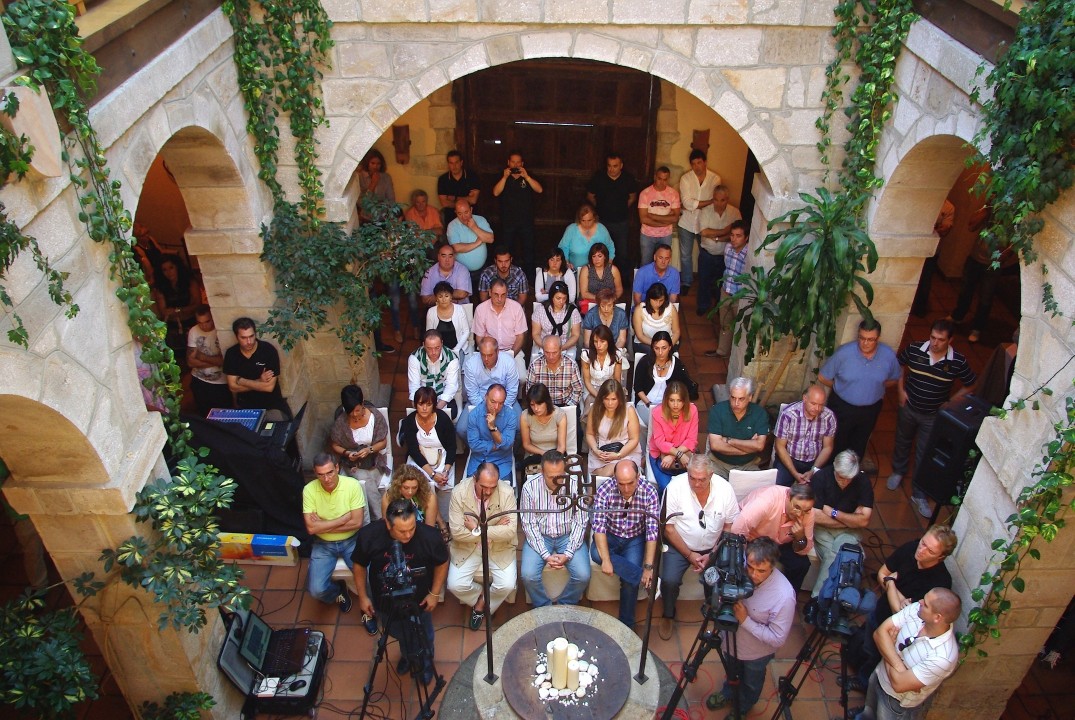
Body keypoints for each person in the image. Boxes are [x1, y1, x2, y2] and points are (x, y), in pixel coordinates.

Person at [846, 526, 957, 695]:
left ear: (941, 557)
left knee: (877, 656)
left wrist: (891, 584)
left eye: (930, 550)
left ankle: (863, 682)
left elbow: (902, 611)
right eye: (923, 543)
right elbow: (882, 573)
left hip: (898, 630)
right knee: (868, 645)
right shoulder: (910, 548)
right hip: (880, 610)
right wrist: (896, 592)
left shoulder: (939, 582)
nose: (921, 550)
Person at [353, 499, 449, 685]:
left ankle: (425, 665)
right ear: (388, 524)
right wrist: (363, 597)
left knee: (424, 635)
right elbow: (359, 564)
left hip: (419, 601)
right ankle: (408, 656)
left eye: (412, 528)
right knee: (398, 633)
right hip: (386, 601)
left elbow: (442, 562)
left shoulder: (429, 536)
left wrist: (434, 593)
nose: (408, 535)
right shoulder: (369, 535)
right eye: (402, 531)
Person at [888, 318, 977, 518]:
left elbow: (971, 383)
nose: (935, 343)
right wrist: (900, 390)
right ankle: (898, 471)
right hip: (909, 407)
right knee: (902, 440)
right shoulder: (915, 349)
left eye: (940, 339)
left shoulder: (957, 361)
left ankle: (919, 492)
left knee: (925, 451)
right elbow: (899, 365)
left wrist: (951, 403)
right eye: (933, 337)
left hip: (932, 415)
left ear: (950, 340)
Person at [704, 537, 796, 717]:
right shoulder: (738, 567)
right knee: (731, 671)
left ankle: (743, 707)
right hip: (729, 642)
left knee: (751, 682)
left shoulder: (784, 596)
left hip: (756, 655)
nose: (753, 575)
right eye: (750, 567)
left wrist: (745, 620)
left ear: (773, 566)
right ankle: (728, 693)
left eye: (761, 571)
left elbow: (777, 638)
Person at [657, 454, 739, 639]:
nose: (696, 483)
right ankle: (668, 614)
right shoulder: (675, 487)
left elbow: (729, 526)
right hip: (680, 545)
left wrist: (713, 552)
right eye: (692, 478)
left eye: (701, 479)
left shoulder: (725, 489)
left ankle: (712, 608)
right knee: (669, 580)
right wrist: (689, 554)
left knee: (723, 576)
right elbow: (669, 529)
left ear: (711, 475)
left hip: (714, 546)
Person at [854, 589, 962, 720]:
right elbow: (879, 633)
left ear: (937, 617)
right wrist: (900, 668)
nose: (920, 602)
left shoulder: (943, 657)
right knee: (868, 712)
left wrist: (889, 647)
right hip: (878, 675)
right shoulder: (917, 610)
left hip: (895, 703)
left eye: (926, 604)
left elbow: (898, 685)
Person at [819, 318, 901, 463]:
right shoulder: (844, 353)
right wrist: (843, 386)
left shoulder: (888, 355)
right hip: (842, 407)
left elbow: (894, 379)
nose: (865, 343)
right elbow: (823, 377)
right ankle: (830, 472)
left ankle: (851, 473)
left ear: (878, 339)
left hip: (870, 410)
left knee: (859, 445)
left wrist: (874, 387)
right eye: (862, 338)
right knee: (835, 443)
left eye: (870, 339)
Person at [447, 462, 518, 630]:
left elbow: (510, 531)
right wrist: (493, 529)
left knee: (508, 584)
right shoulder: (459, 492)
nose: (488, 492)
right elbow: (456, 532)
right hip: (467, 547)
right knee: (455, 585)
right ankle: (483, 596)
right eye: (484, 487)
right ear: (474, 479)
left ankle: (481, 605)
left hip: (498, 547)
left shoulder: (507, 492)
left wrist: (476, 529)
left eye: (493, 487)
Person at [590, 459, 660, 627]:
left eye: (630, 483)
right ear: (615, 479)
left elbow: (652, 532)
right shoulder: (605, 490)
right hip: (611, 534)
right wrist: (606, 560)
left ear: (638, 477)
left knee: (629, 582)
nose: (626, 489)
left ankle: (627, 625)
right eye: (621, 484)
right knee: (596, 554)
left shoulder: (649, 492)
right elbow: (599, 527)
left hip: (634, 538)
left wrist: (648, 567)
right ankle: (639, 576)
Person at [520, 450, 590, 607]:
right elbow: (529, 524)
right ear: (542, 472)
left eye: (560, 476)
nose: (556, 481)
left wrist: (568, 553)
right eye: (551, 477)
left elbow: (581, 520)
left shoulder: (576, 485)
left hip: (568, 535)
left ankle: (564, 605)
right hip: (541, 535)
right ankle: (544, 608)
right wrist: (545, 555)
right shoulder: (529, 487)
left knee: (583, 575)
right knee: (528, 576)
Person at [303, 453, 365, 618]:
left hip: (352, 540)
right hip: (323, 544)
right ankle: (338, 592)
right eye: (321, 475)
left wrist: (322, 525)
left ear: (337, 468)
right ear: (315, 474)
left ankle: (368, 610)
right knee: (316, 590)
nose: (326, 479)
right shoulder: (309, 490)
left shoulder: (352, 485)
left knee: (368, 579)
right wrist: (343, 519)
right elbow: (311, 529)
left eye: (330, 472)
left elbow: (357, 523)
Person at [808, 450, 873, 597]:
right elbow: (815, 516)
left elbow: (864, 520)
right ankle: (831, 599)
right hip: (823, 529)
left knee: (835, 556)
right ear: (834, 467)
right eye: (841, 477)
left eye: (849, 479)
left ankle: (817, 599)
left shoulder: (863, 481)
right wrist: (851, 520)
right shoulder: (821, 477)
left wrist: (833, 512)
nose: (844, 482)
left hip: (849, 532)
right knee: (842, 557)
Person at [731, 483, 816, 594]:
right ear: (788, 497)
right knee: (745, 560)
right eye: (797, 507)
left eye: (806, 511)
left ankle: (788, 598)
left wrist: (800, 537)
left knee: (801, 564)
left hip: (779, 542)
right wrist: (744, 552)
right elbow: (737, 530)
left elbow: (805, 549)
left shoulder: (808, 513)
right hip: (754, 537)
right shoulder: (767, 501)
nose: (800, 515)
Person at [329, 384, 390, 520]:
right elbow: (335, 445)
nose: (355, 414)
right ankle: (382, 517)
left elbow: (383, 443)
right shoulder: (341, 422)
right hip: (353, 464)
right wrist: (347, 453)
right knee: (365, 479)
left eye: (357, 410)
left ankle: (377, 518)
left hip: (374, 460)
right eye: (351, 412)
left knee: (366, 480)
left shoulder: (375, 417)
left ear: (362, 403)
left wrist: (369, 450)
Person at [223, 317, 291, 416]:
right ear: (236, 337)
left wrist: (242, 381)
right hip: (246, 407)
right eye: (243, 338)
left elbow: (268, 387)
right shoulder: (231, 354)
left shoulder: (268, 350)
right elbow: (233, 387)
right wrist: (259, 381)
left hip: (271, 406)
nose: (249, 341)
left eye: (251, 336)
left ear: (255, 333)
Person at [773, 384, 837, 487]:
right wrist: (794, 473)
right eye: (813, 403)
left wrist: (813, 470)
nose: (817, 408)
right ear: (805, 398)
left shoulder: (828, 417)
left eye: (821, 405)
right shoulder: (789, 414)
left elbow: (827, 447)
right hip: (789, 459)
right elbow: (780, 446)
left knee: (820, 489)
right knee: (779, 488)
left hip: (815, 461)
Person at [677, 149, 721, 294]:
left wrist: (695, 204)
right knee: (685, 255)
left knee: (706, 254)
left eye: (699, 162)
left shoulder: (715, 179)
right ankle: (686, 282)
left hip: (705, 224)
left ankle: (707, 283)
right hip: (686, 223)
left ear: (705, 162)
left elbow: (715, 201)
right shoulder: (686, 178)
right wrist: (708, 202)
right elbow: (686, 203)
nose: (696, 166)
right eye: (693, 164)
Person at [707, 376, 768, 477]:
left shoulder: (759, 413)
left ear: (750, 397)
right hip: (718, 463)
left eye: (741, 399)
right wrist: (749, 447)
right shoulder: (717, 410)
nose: (736, 403)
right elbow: (716, 445)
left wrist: (729, 440)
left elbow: (759, 446)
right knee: (708, 483)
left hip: (748, 465)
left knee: (761, 484)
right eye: (733, 397)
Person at [400, 386, 457, 493]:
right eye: (421, 404)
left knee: (443, 482)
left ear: (434, 405)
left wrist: (445, 471)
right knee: (413, 483)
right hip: (420, 460)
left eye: (429, 404)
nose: (424, 408)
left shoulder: (443, 419)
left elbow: (452, 447)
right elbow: (414, 451)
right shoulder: (409, 421)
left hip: (442, 458)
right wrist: (433, 474)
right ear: (415, 405)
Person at [586, 152, 637, 273]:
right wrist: (600, 208)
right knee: (600, 251)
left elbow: (632, 197)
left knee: (622, 252)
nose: (611, 169)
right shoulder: (599, 177)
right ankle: (599, 277)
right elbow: (590, 196)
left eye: (615, 166)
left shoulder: (628, 179)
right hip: (602, 221)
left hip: (621, 221)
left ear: (621, 166)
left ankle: (621, 278)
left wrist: (621, 208)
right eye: (609, 165)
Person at [633, 332, 697, 426]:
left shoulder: (678, 366)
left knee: (668, 423)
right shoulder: (645, 362)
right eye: (656, 348)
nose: (660, 352)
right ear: (652, 348)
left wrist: (672, 404)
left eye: (664, 348)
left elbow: (684, 388)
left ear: (670, 347)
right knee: (656, 423)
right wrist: (649, 403)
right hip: (646, 403)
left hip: (670, 405)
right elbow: (638, 387)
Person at [492, 151, 543, 270]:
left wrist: (527, 177)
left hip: (526, 221)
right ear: (508, 163)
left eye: (518, 162)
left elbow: (539, 189)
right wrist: (504, 177)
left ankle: (529, 276)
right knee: (508, 250)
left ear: (522, 163)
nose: (515, 165)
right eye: (513, 162)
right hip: (508, 222)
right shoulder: (502, 175)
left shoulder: (528, 175)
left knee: (528, 251)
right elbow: (495, 192)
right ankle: (508, 274)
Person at [458, 337, 519, 434]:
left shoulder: (509, 363)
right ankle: (480, 444)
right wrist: (485, 410)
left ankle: (504, 443)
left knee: (519, 427)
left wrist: (500, 409)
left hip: (504, 402)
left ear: (497, 352)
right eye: (483, 355)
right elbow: (472, 394)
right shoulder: (471, 364)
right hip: (479, 401)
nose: (486, 359)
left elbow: (512, 391)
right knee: (462, 429)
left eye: (490, 355)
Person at [706, 220, 749, 358]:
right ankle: (722, 351)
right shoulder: (728, 248)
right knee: (725, 323)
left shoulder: (749, 255)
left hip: (740, 297)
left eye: (738, 236)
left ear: (746, 238)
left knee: (741, 327)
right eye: (732, 235)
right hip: (726, 292)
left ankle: (737, 358)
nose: (734, 239)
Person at [696, 185, 742, 316]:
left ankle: (718, 307)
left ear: (727, 199)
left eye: (722, 200)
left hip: (726, 256)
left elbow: (738, 235)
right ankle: (703, 305)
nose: (718, 203)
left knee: (721, 283)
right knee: (703, 281)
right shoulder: (705, 211)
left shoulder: (735, 213)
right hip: (707, 254)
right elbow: (704, 232)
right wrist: (725, 231)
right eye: (715, 199)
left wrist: (716, 238)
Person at [647, 381, 699, 492]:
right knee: (666, 487)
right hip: (660, 454)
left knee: (688, 488)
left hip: (684, 454)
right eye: (672, 400)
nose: (675, 405)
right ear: (666, 400)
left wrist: (673, 455)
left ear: (684, 400)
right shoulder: (657, 412)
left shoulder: (692, 410)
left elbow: (692, 440)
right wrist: (678, 454)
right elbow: (660, 442)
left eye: (679, 400)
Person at [586, 379, 642, 477]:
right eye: (606, 399)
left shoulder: (629, 411)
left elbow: (634, 439)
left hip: (625, 452)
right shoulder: (595, 409)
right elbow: (590, 434)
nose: (610, 403)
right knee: (607, 474)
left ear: (619, 399)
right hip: (602, 452)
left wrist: (618, 455)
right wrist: (596, 450)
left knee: (611, 472)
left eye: (613, 399)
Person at [465, 384, 518, 486]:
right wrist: (495, 445)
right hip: (478, 461)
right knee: (471, 491)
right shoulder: (474, 415)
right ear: (486, 397)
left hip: (501, 461)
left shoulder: (511, 415)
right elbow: (474, 445)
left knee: (504, 492)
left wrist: (493, 428)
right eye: (493, 402)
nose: (496, 407)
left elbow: (507, 445)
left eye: (501, 403)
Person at [910, 198, 954, 318]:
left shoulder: (948, 207)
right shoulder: (923, 200)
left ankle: (919, 309)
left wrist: (932, 229)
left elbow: (945, 230)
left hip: (932, 251)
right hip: (915, 247)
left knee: (925, 280)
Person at [186, 305, 231, 415]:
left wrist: (201, 357)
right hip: (199, 381)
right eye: (200, 322)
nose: (204, 326)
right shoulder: (193, 331)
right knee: (204, 415)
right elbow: (190, 362)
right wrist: (216, 361)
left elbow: (225, 362)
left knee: (224, 415)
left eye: (207, 321)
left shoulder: (221, 331)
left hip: (221, 383)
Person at [407, 329, 460, 419]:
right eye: (429, 348)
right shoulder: (414, 358)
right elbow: (414, 386)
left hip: (442, 396)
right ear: (423, 345)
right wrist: (420, 407)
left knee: (452, 413)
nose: (434, 352)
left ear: (442, 343)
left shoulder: (452, 359)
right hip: (423, 398)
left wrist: (436, 409)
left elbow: (451, 386)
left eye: (437, 348)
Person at [580, 324, 627, 418]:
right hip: (592, 389)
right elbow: (587, 382)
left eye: (602, 341)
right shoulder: (586, 355)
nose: (598, 345)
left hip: (610, 387)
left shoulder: (617, 355)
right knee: (591, 412)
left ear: (609, 341)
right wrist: (600, 396)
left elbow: (617, 380)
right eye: (595, 341)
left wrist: (610, 395)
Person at [447, 198, 494, 291]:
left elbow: (490, 239)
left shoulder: (480, 220)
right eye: (459, 213)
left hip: (482, 269)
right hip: (461, 272)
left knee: (484, 296)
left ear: (471, 210)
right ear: (455, 213)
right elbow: (456, 248)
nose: (464, 217)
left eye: (466, 212)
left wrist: (474, 227)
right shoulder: (452, 226)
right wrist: (477, 243)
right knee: (464, 297)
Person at [637, 166, 681, 265]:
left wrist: (652, 216)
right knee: (645, 263)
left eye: (665, 180)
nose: (662, 182)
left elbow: (675, 218)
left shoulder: (673, 194)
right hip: (647, 235)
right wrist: (665, 221)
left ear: (668, 179)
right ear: (655, 177)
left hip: (665, 235)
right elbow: (643, 219)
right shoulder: (645, 193)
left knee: (663, 264)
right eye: (659, 179)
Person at [526, 336, 585, 407]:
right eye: (547, 352)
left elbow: (578, 389)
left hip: (565, 404)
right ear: (543, 350)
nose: (551, 356)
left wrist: (568, 406)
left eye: (554, 353)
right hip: (542, 406)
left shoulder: (571, 364)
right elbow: (530, 391)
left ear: (561, 350)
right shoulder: (535, 365)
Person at [472, 278, 526, 355]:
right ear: (490, 292)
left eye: (503, 295)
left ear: (507, 293)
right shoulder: (480, 309)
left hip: (512, 351)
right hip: (489, 352)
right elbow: (479, 337)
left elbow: (520, 337)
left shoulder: (516, 308)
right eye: (496, 294)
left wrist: (511, 355)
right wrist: (488, 354)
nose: (499, 299)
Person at [531, 281, 582, 359]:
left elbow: (575, 335)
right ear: (552, 297)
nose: (561, 301)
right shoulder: (540, 310)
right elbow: (536, 334)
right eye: (558, 298)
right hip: (544, 346)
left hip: (565, 346)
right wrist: (547, 348)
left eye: (564, 298)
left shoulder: (573, 311)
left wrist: (562, 348)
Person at [520, 383, 568, 466]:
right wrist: (545, 454)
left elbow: (561, 446)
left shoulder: (559, 415)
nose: (536, 408)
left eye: (539, 404)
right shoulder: (525, 416)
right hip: (534, 455)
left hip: (556, 454)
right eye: (532, 405)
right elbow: (526, 444)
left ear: (546, 402)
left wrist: (553, 460)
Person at [151, 253, 201, 330]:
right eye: (164, 270)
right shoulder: (160, 287)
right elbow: (163, 312)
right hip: (172, 324)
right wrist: (185, 310)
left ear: (177, 267)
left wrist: (178, 310)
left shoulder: (190, 282)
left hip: (192, 321)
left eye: (171, 267)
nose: (169, 272)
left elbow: (197, 305)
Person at [381, 464, 439, 529]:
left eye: (414, 487)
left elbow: (429, 528)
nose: (410, 492)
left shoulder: (429, 497)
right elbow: (387, 525)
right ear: (398, 485)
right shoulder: (388, 496)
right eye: (406, 488)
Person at [559, 202, 615, 270]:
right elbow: (563, 247)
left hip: (598, 271)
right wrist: (566, 262)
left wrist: (609, 262)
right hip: (575, 270)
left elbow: (610, 246)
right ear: (579, 219)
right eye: (583, 220)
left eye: (589, 220)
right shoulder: (571, 229)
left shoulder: (602, 229)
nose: (586, 224)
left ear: (594, 218)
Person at [632, 281, 680, 355]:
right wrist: (658, 346)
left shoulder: (671, 309)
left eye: (661, 300)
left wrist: (667, 346)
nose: (658, 304)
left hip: (667, 344)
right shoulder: (639, 310)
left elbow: (676, 332)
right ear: (649, 298)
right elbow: (640, 335)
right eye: (655, 300)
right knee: (653, 353)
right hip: (646, 344)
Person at [426, 281, 471, 358]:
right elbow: (429, 334)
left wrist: (456, 349)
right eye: (440, 297)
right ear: (436, 298)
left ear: (451, 297)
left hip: (459, 349)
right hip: (438, 351)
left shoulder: (459, 309)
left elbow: (466, 331)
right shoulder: (431, 312)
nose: (443, 299)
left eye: (446, 296)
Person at [437, 149, 480, 228]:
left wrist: (454, 198)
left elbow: (473, 200)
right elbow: (444, 203)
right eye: (451, 163)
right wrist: (466, 200)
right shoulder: (443, 180)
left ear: (461, 162)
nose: (454, 166)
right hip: (451, 218)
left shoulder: (472, 177)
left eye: (456, 162)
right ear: (448, 164)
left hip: (471, 218)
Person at [420, 241, 472, 307]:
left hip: (461, 309)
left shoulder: (462, 270)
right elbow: (425, 299)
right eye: (444, 256)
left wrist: (438, 297)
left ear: (454, 257)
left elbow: (462, 294)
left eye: (450, 256)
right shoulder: (429, 272)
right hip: (437, 311)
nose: (447, 260)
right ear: (438, 257)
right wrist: (450, 297)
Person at [577, 242, 624, 310]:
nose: (596, 259)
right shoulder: (586, 269)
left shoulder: (613, 269)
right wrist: (601, 299)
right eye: (594, 256)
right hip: (590, 301)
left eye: (599, 256)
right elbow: (584, 293)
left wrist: (610, 300)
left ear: (605, 257)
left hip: (610, 302)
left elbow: (619, 290)